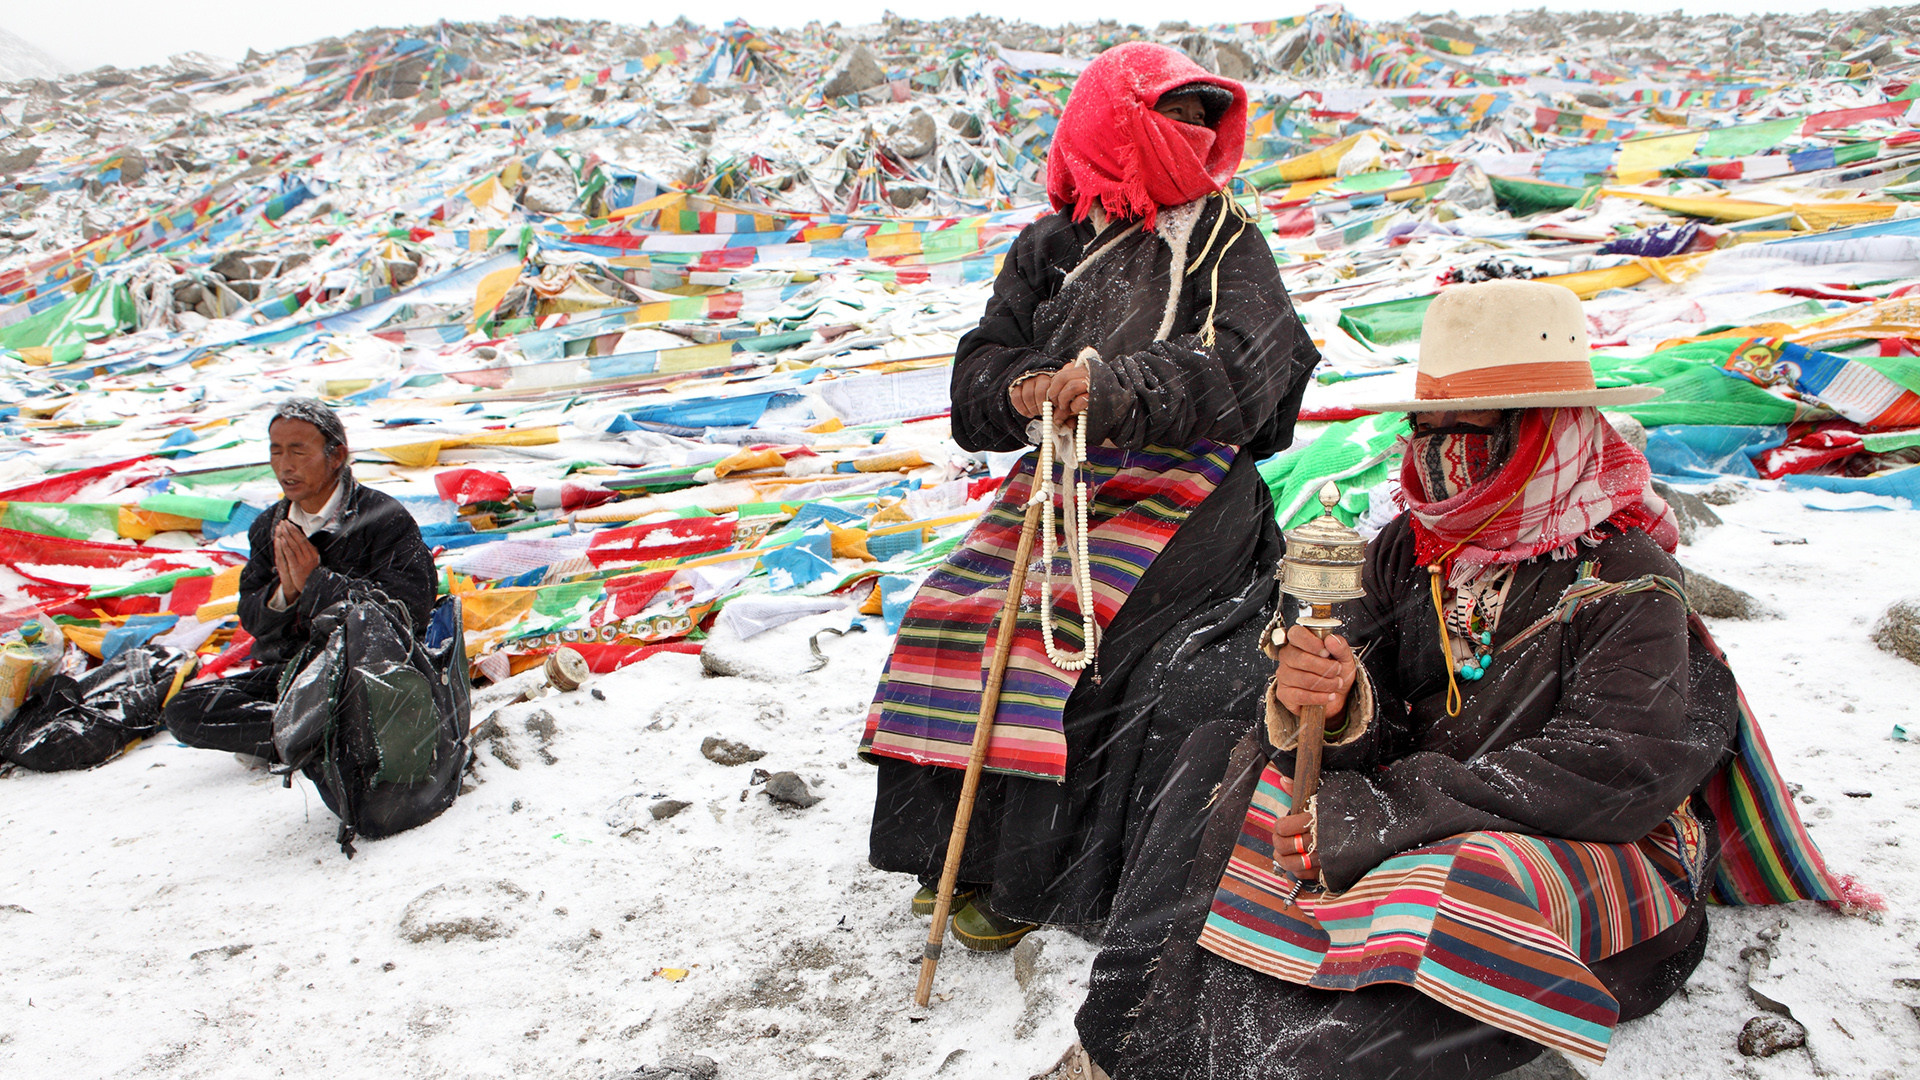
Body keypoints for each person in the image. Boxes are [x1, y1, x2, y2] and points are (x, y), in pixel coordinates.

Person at [1070, 280, 1863, 1079]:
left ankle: (1302, 1053)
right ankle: (1140, 1031)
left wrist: (1373, 816)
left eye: (1470, 430)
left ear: (1541, 433)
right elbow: (1364, 710)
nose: (1439, 454)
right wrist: (1335, 699)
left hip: (1571, 845)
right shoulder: (1408, 550)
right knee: (1219, 759)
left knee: (1461, 882)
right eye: (1426, 427)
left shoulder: (1628, 579)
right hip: (1415, 813)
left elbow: (1612, 769)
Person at [858, 42, 1320, 951]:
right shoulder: (1050, 245)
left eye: (1202, 120)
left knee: (1074, 637)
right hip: (1061, 481)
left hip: (1191, 491)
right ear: (1111, 123)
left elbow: (1251, 368)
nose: (1192, 135)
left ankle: (1033, 876)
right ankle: (954, 850)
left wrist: (1119, 389)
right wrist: (1026, 387)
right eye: (1171, 117)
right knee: (955, 615)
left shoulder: (1229, 240)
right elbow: (978, 369)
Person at [164, 398, 437, 762]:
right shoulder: (270, 525)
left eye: (298, 451)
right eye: (276, 452)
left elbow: (407, 612)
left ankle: (300, 736)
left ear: (336, 455)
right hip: (292, 673)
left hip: (361, 673)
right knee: (185, 709)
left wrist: (317, 582)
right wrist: (285, 594)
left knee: (360, 705)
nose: (285, 466)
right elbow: (253, 620)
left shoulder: (383, 518)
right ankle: (316, 737)